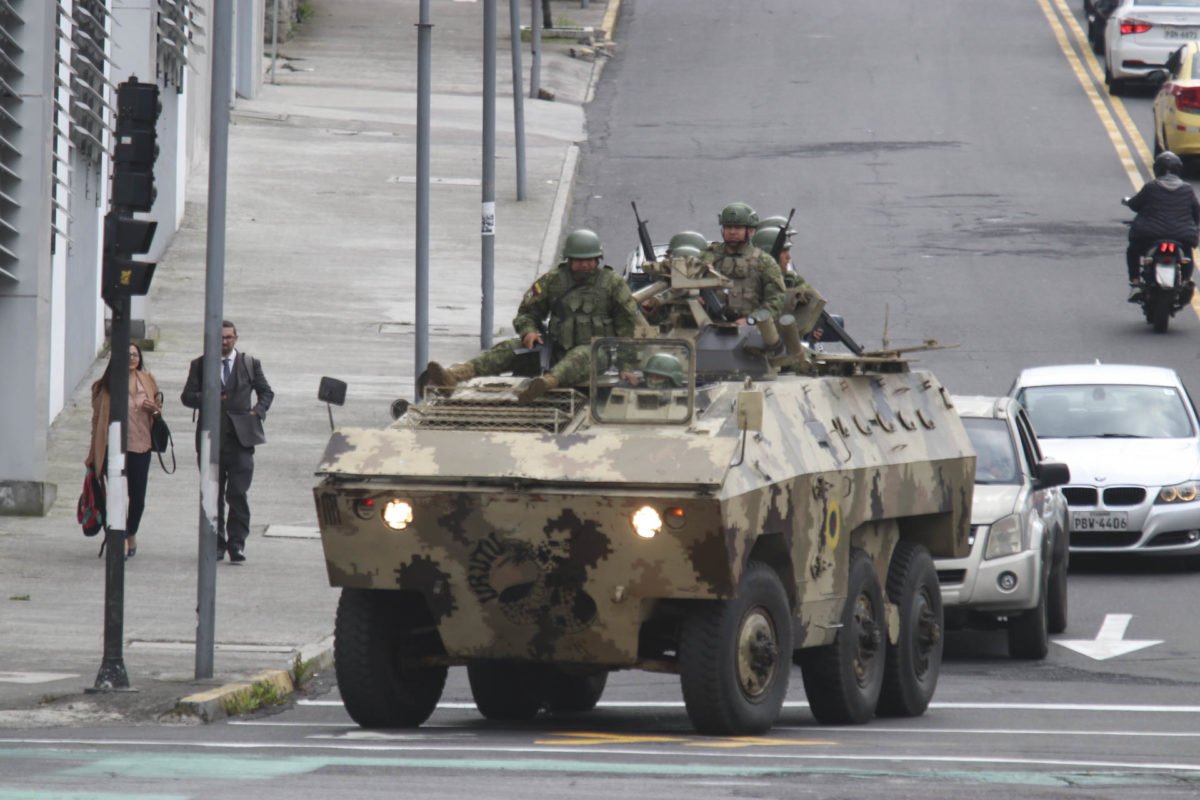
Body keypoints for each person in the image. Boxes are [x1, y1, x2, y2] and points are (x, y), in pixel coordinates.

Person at [426, 229, 641, 404]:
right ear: (569, 259)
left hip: (597, 352)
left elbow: (627, 325)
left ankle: (544, 384)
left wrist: (627, 365)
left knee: (579, 357)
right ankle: (455, 375)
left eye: (590, 260)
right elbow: (527, 312)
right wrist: (529, 331)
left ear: (598, 259)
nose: (585, 265)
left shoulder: (612, 284)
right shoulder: (553, 281)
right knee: (508, 349)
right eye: (579, 260)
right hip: (555, 349)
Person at [181, 321, 274, 563]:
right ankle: (216, 544)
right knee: (211, 495)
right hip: (210, 440)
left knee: (238, 494)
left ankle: (237, 544)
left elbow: (266, 392)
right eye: (221, 338)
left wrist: (257, 412)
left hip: (241, 441)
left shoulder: (249, 364)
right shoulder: (200, 365)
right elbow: (187, 397)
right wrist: (208, 397)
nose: (225, 341)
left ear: (236, 338)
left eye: (229, 337)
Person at [87, 343, 163, 559]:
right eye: (127, 354)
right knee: (117, 496)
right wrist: (92, 453)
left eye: (135, 354)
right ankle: (119, 539)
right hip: (115, 448)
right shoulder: (106, 385)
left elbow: (158, 410)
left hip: (142, 445)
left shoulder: (147, 379)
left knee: (137, 497)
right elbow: (96, 421)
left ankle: (131, 532)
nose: (132, 358)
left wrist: (155, 410)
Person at [700, 202, 798, 325]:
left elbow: (776, 300)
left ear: (750, 231)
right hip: (709, 327)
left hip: (750, 330)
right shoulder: (707, 257)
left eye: (738, 228)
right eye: (728, 227)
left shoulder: (765, 262)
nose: (732, 232)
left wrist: (752, 320)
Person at [1126, 150, 1200, 301]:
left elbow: (1135, 204)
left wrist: (1127, 201)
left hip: (1150, 234)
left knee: (1133, 250)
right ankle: (1185, 281)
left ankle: (1135, 283)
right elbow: (1196, 213)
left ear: (1157, 169)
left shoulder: (1151, 187)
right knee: (1187, 253)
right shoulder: (1187, 189)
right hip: (1181, 235)